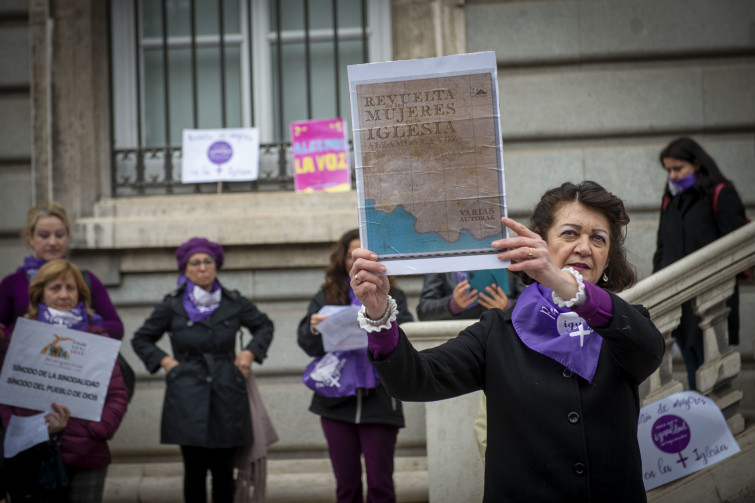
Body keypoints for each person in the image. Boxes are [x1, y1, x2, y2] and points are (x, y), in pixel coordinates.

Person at [349, 181, 665, 501]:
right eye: (570, 233)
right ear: (538, 241)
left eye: (598, 238)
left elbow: (650, 352)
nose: (584, 247)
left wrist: (566, 285)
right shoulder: (497, 332)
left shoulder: (625, 324)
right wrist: (378, 317)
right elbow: (414, 381)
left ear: (609, 258)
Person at [132, 237, 274, 503]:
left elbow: (264, 325)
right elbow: (141, 338)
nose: (202, 268)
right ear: (185, 269)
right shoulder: (172, 305)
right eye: (194, 263)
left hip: (228, 391)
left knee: (223, 472)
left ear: (216, 266)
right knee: (194, 472)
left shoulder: (233, 301)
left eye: (207, 261)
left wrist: (249, 352)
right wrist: (167, 363)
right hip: (187, 391)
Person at [297, 228, 413, 503]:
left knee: (380, 483)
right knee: (346, 486)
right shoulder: (326, 295)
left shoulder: (394, 293)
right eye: (351, 255)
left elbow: (406, 339)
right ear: (343, 261)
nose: (356, 261)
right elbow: (307, 343)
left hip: (381, 399)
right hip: (336, 404)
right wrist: (315, 328)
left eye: (362, 253)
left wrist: (384, 319)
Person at [0, 260, 129, 502]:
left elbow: (117, 395)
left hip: (87, 453)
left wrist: (98, 430)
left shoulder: (96, 337)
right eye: (55, 287)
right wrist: (25, 431)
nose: (64, 295)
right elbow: (6, 396)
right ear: (40, 293)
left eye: (71, 288)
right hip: (33, 454)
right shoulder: (21, 337)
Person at [653, 137, 748, 391]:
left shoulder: (720, 194)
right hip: (676, 301)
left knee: (710, 371)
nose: (672, 176)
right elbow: (662, 248)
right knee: (692, 365)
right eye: (669, 170)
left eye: (678, 169)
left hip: (710, 296)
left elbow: (736, 245)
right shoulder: (671, 200)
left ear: (696, 163)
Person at [0, 202, 124, 339]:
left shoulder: (86, 279)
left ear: (68, 236)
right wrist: (22, 331)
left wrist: (78, 325)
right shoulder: (11, 284)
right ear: (30, 238)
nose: (53, 242)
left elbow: (117, 327)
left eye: (59, 235)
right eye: (44, 235)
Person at [416, 270, 523, 321]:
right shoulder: (440, 259)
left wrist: (507, 306)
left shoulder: (507, 255)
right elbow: (423, 311)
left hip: (501, 333)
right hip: (459, 338)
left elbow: (529, 306)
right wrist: (452, 305)